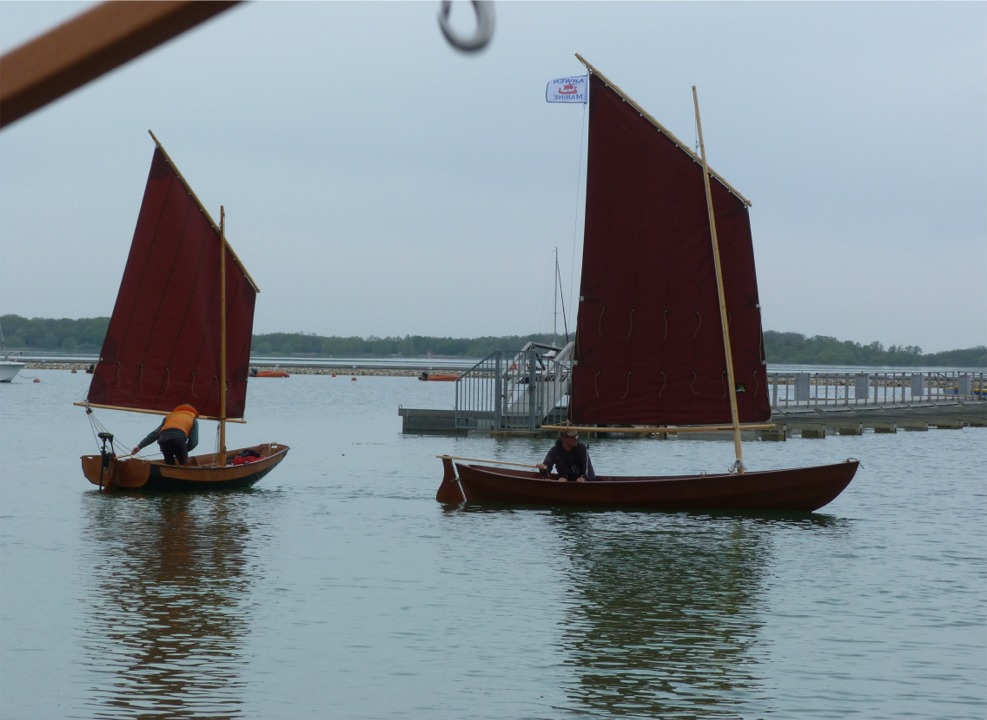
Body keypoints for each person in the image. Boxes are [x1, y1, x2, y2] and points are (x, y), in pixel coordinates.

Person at [132, 404, 200, 465]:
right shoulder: (192, 419)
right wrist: (184, 449)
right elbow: (193, 442)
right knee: (184, 464)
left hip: (163, 440)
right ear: (193, 412)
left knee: (169, 464)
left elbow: (155, 434)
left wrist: (140, 446)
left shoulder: (169, 416)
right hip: (178, 440)